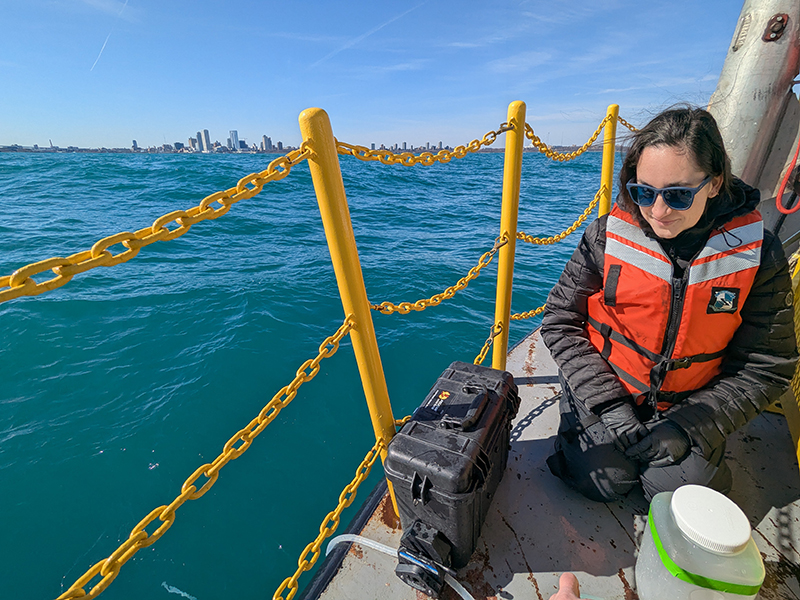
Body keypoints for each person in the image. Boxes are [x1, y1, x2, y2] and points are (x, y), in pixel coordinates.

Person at [541, 106, 798, 502]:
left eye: (677, 195)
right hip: (609, 388)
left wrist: (689, 427)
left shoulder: (759, 254)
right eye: (643, 192)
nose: (658, 211)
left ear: (713, 184)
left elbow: (768, 363)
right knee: (602, 482)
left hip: (693, 404)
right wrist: (608, 404)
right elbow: (561, 320)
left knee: (690, 495)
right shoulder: (606, 237)